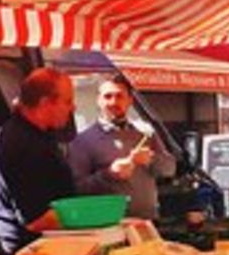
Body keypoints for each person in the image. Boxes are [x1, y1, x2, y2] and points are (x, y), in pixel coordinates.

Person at [0, 67, 77, 255]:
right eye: (67, 101)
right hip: (30, 254)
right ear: (44, 103)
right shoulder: (21, 143)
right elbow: (36, 220)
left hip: (41, 247)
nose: (73, 108)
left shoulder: (36, 135)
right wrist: (93, 218)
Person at [68, 75, 176, 220]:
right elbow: (77, 190)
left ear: (130, 101)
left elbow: (169, 169)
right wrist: (109, 174)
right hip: (108, 224)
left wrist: (151, 160)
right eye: (108, 96)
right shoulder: (83, 141)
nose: (114, 102)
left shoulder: (146, 135)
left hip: (147, 222)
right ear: (98, 101)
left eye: (120, 96)